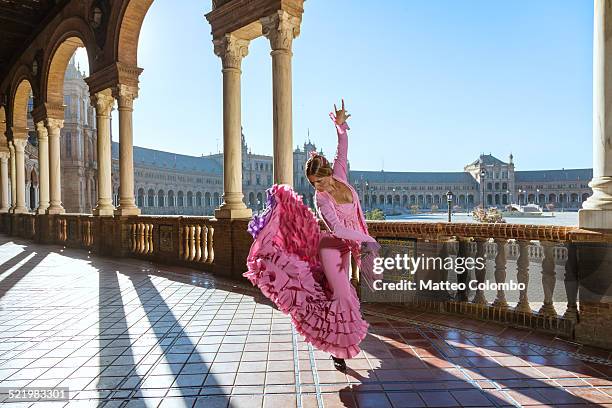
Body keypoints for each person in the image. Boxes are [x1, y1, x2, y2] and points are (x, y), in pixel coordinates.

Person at [244, 99, 380, 372]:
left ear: (330, 173)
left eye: (321, 181)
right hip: (332, 248)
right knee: (342, 294)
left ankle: (338, 343)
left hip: (352, 247)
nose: (319, 187)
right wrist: (367, 240)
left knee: (346, 294)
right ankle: (339, 347)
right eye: (314, 184)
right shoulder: (321, 199)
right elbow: (338, 229)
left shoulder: (340, 177)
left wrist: (340, 127)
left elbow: (342, 150)